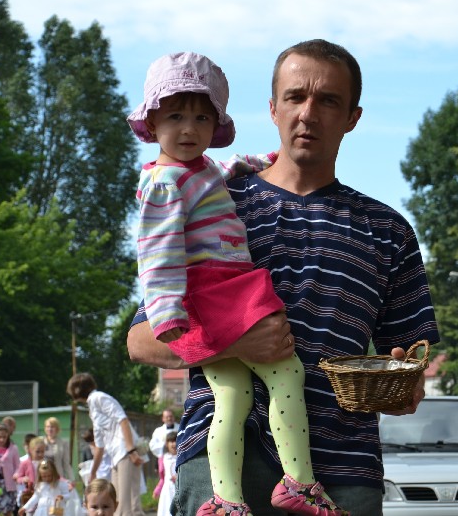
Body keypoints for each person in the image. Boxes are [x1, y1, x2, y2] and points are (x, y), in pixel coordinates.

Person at [126, 39, 440, 516]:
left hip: (343, 471)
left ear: (353, 117)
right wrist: (234, 344)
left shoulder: (387, 230)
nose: (308, 114)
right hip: (223, 471)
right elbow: (141, 341)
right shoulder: (212, 202)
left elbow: (409, 360)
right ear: (273, 109)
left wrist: (402, 383)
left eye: (328, 100)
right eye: (295, 97)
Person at [128, 50, 348, 516]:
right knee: (287, 373)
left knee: (232, 394)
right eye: (176, 117)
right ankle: (299, 481)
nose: (189, 129)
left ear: (215, 125)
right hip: (219, 290)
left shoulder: (198, 169)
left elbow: (224, 171)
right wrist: (166, 314)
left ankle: (227, 500)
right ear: (153, 121)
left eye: (201, 118)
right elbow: (157, 255)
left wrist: (259, 161)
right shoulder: (163, 184)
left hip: (214, 293)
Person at [66, 373, 147, 516]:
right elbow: (100, 446)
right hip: (115, 456)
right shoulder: (92, 407)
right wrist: (93, 472)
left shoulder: (99, 398)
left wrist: (131, 450)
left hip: (125, 451)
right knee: (116, 499)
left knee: (126, 503)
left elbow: (123, 420)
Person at [152, 432, 176, 516]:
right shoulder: (163, 458)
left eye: (176, 441)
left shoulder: (182, 457)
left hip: (179, 490)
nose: (174, 444)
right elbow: (162, 478)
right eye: (171, 441)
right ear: (167, 444)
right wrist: (157, 490)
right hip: (167, 492)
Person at [42, 417, 72, 482]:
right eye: (48, 427)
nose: (50, 429)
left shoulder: (64, 443)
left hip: (58, 477)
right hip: (43, 476)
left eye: (52, 427)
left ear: (57, 429)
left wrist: (71, 478)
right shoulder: (41, 441)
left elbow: (66, 463)